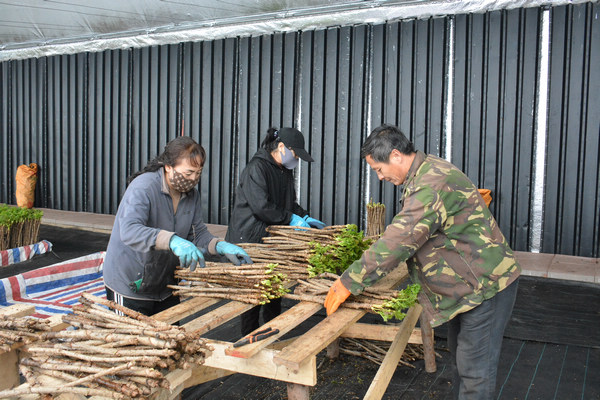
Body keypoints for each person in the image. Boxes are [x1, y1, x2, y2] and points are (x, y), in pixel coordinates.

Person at [324, 124, 521, 400]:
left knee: (476, 374)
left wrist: (348, 281)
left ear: (395, 155)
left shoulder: (430, 184)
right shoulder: (425, 172)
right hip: (468, 287)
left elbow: (397, 241)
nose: (380, 178)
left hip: (485, 287)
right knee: (462, 362)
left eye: (378, 170)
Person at [103, 136, 252, 316]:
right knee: (133, 342)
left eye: (198, 173)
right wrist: (172, 240)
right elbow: (129, 230)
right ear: (168, 166)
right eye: (188, 173)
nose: (193, 179)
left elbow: (197, 234)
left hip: (165, 284)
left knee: (170, 338)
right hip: (130, 284)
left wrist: (219, 246)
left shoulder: (192, 196)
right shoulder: (144, 187)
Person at [226, 127, 326, 335]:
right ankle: (249, 342)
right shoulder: (257, 169)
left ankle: (272, 337)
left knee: (273, 292)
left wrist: (304, 216)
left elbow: (289, 203)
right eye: (295, 154)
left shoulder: (284, 171)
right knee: (253, 295)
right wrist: (291, 218)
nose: (296, 159)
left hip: (271, 241)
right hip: (250, 239)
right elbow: (262, 207)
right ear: (281, 147)